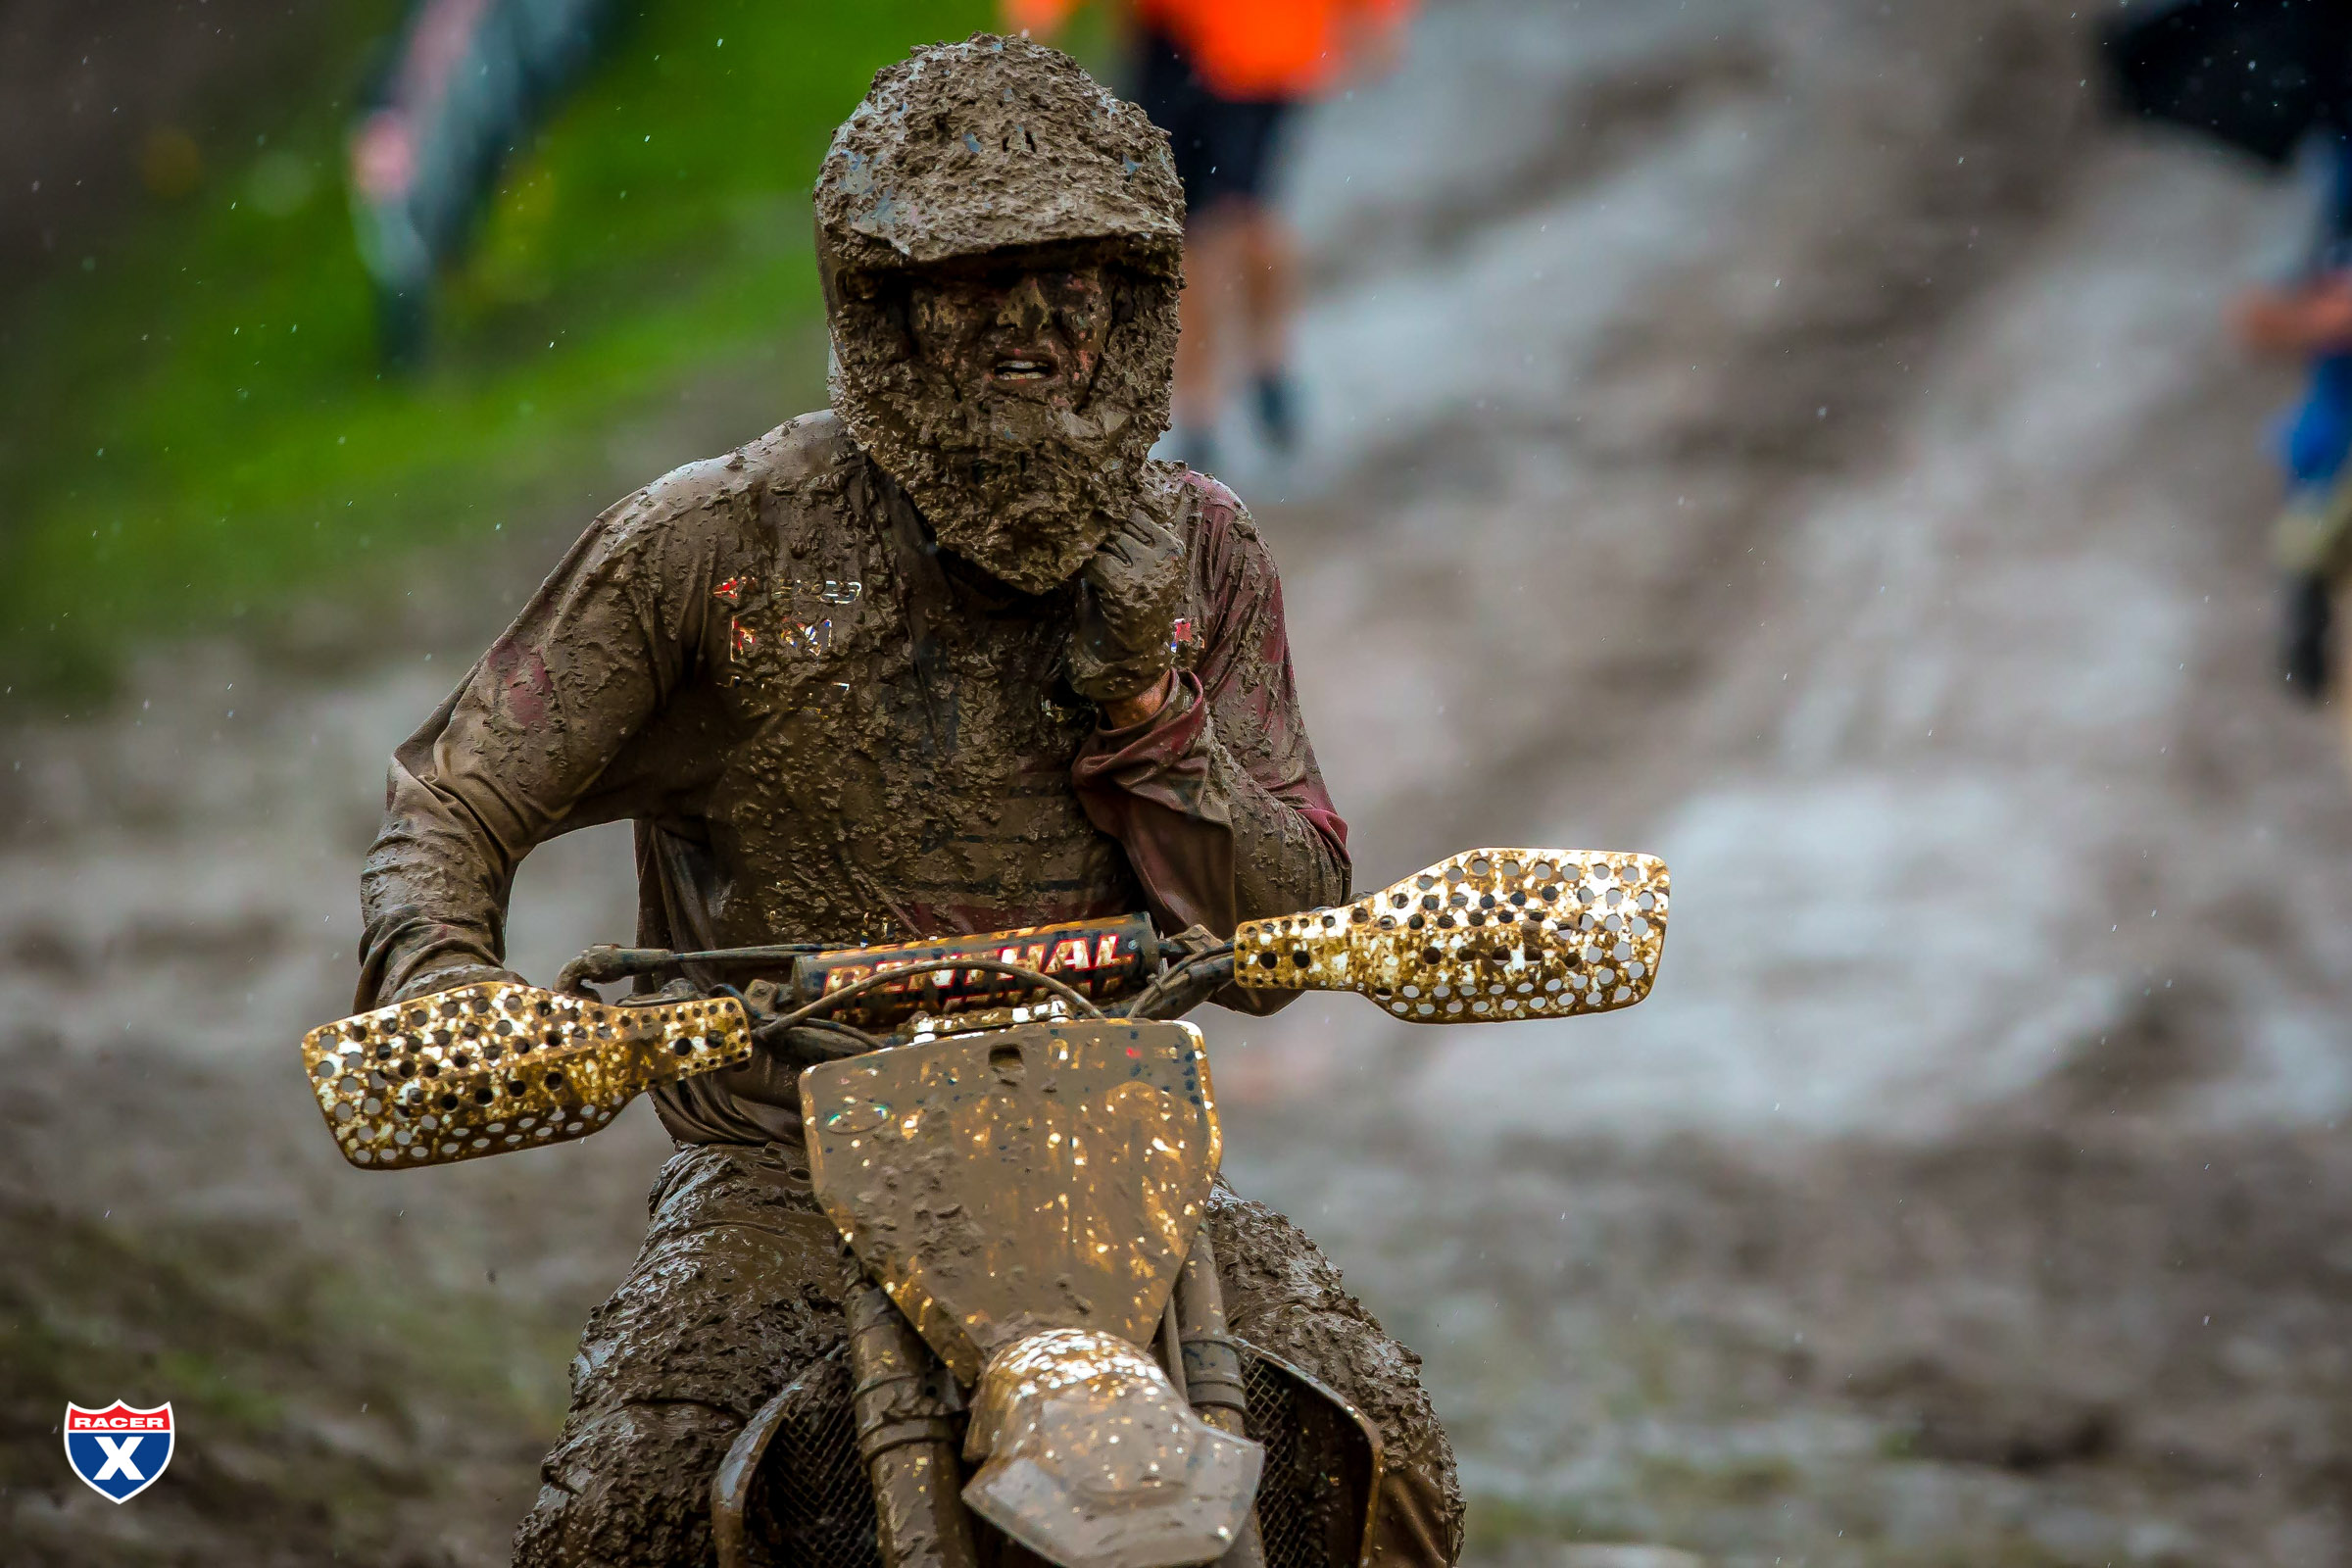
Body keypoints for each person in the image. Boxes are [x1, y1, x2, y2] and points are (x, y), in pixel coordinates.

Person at [353, 35, 1461, 1568]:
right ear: (879, 306)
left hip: (1113, 1180)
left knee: (1380, 1457)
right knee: (628, 1508)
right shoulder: (714, 553)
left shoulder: (1199, 553)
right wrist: (444, 983)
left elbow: (1288, 938)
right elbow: (453, 797)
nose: (1030, 324)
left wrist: (1150, 714)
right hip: (783, 1184)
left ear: (1140, 301)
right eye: (975, 282)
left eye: (1074, 280)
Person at [1006, 0, 1414, 468]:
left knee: (1245, 215)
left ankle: (1267, 361)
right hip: (1171, 41)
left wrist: (1378, 16)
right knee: (1179, 230)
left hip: (1263, 43)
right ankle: (1199, 407)